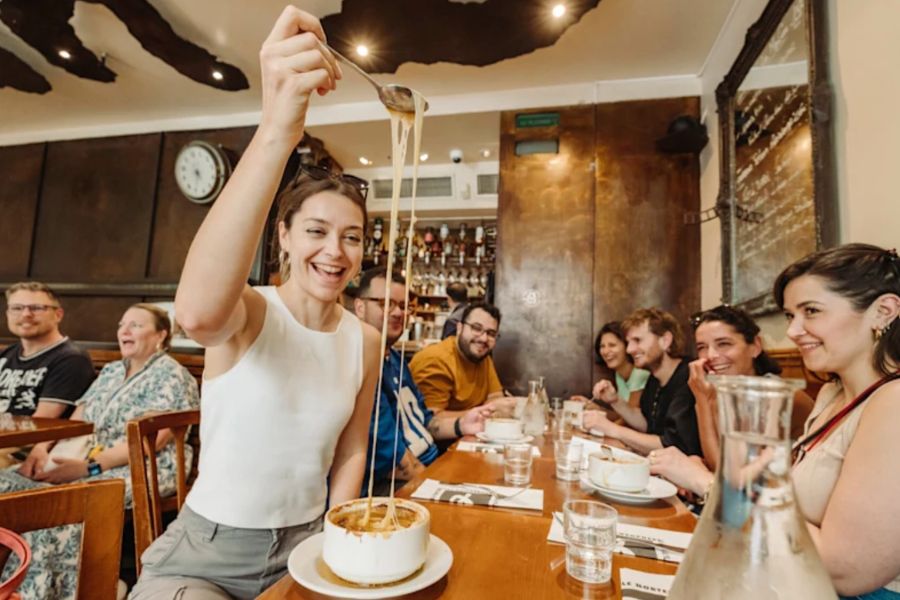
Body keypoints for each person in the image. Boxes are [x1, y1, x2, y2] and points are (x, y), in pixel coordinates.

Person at [130, 9, 381, 598]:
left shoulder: (365, 340)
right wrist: (276, 130)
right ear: (285, 238)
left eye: (352, 236)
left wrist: (331, 543)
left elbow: (352, 449)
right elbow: (195, 315)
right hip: (206, 553)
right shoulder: (253, 309)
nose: (336, 251)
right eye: (316, 231)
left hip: (307, 546)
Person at [0, 303, 199, 600]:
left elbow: (153, 441)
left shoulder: (171, 374)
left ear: (161, 335)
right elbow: (79, 417)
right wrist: (40, 450)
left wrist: (88, 468)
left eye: (136, 325)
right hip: (86, 456)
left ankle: (76, 590)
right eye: (121, 325)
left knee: (57, 505)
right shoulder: (112, 371)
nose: (124, 331)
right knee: (9, 484)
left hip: (146, 467)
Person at [779, 243, 900, 599]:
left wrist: (735, 490)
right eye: (790, 316)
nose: (792, 331)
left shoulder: (893, 402)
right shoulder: (831, 394)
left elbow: (845, 569)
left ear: (884, 312)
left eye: (811, 311)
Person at [646, 305, 812, 496]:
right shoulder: (724, 392)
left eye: (724, 344)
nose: (711, 356)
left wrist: (702, 400)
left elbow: (727, 474)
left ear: (755, 347)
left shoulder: (776, 395)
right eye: (702, 347)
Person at [352, 267, 490, 495]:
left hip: (431, 467)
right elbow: (396, 461)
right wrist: (444, 489)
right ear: (360, 307)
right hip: (398, 487)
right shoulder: (360, 363)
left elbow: (423, 421)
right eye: (386, 304)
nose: (398, 313)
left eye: (405, 306)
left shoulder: (396, 359)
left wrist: (462, 424)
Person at [584, 308, 701, 456]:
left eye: (637, 340)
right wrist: (615, 401)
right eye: (628, 342)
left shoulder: (689, 377)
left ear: (665, 340)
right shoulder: (654, 378)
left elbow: (673, 446)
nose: (629, 350)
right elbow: (646, 424)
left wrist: (612, 429)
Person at [0, 282, 95, 418]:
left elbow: (42, 424)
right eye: (17, 308)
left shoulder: (72, 359)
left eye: (37, 308)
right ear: (8, 314)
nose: (26, 314)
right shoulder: (4, 355)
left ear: (58, 315)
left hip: (25, 438)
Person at [409, 302, 516, 419]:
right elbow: (432, 420)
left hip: (471, 433)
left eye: (491, 333)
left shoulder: (482, 357)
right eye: (476, 328)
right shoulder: (435, 360)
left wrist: (488, 410)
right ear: (459, 328)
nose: (484, 338)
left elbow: (496, 398)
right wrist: (486, 411)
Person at [572, 321, 650, 409]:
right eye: (602, 346)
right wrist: (594, 407)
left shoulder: (639, 374)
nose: (605, 351)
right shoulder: (619, 375)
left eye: (612, 345)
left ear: (627, 346)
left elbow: (630, 420)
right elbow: (623, 416)